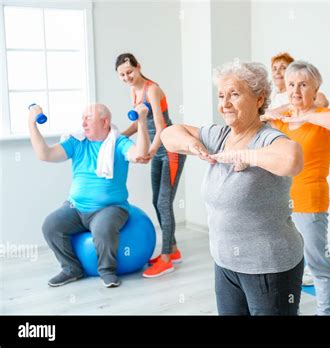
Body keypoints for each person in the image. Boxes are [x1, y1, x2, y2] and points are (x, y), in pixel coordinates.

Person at [160, 61, 305, 315]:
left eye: (234, 94)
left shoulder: (267, 138)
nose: (225, 103)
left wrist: (247, 155)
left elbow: (292, 159)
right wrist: (192, 145)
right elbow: (169, 134)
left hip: (269, 267)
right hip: (225, 263)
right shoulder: (219, 136)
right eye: (221, 95)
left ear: (259, 99)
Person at [29, 103, 150, 288]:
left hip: (111, 208)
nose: (83, 122)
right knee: (50, 225)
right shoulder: (77, 142)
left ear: (104, 121)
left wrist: (141, 121)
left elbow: (141, 154)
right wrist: (32, 123)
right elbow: (44, 154)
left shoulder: (119, 143)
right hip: (76, 207)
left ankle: (107, 271)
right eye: (82, 118)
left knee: (102, 228)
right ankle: (71, 269)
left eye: (88, 118)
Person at [262, 61, 330, 315]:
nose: (296, 90)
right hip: (278, 202)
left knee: (318, 266)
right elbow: (257, 122)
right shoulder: (282, 120)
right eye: (291, 85)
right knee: (283, 266)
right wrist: (277, 112)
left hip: (310, 202)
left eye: (303, 84)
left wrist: (305, 114)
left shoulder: (324, 118)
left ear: (316, 88)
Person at [115, 53, 186, 278]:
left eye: (130, 72)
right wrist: (116, 136)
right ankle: (172, 249)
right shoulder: (133, 90)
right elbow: (140, 124)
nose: (127, 77)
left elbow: (161, 125)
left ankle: (166, 259)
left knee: (164, 203)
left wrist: (151, 151)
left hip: (171, 148)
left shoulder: (151, 89)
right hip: (158, 150)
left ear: (139, 67)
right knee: (157, 201)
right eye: (122, 74)